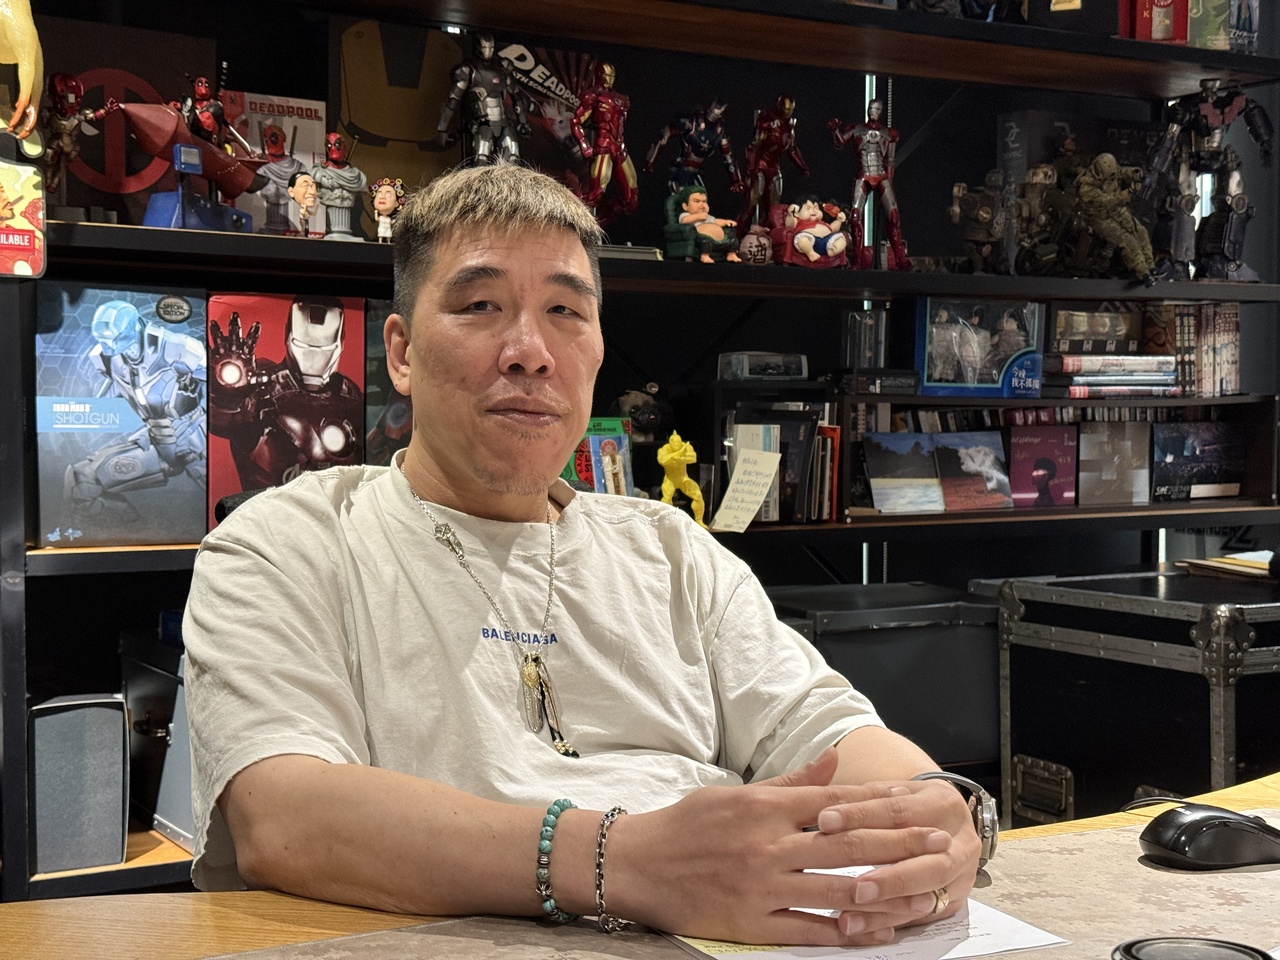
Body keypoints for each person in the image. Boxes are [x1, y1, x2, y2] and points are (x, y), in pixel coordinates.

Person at [183, 162, 981, 948]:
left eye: (566, 310)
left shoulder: (672, 552)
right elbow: (282, 817)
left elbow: (827, 733)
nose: (530, 351)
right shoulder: (285, 545)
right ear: (401, 353)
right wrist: (621, 862)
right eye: (480, 305)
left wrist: (934, 816)